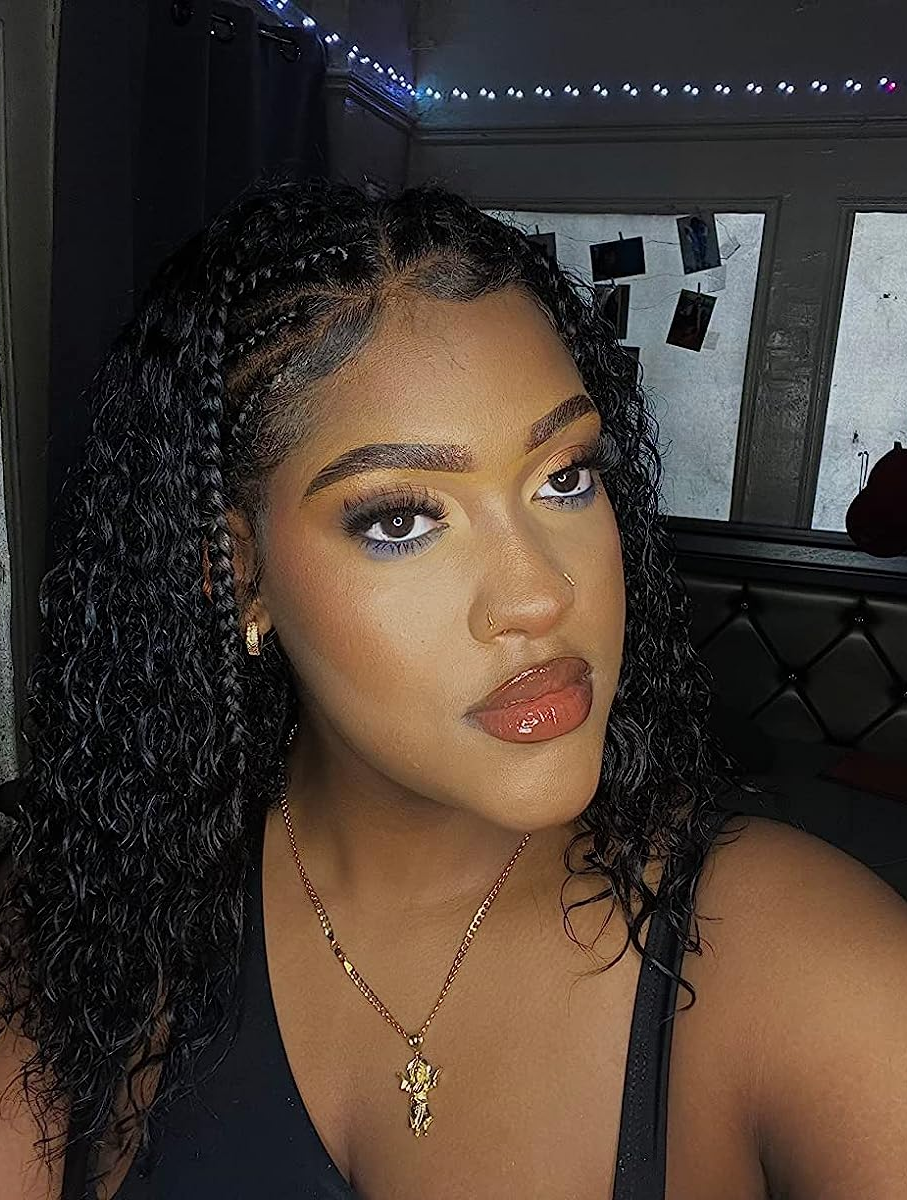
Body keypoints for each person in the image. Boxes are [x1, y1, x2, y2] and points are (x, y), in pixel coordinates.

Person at [1, 176, 905, 1200]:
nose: (540, 595)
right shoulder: (87, 918)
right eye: (401, 520)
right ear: (236, 572)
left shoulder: (810, 963)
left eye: (564, 477)